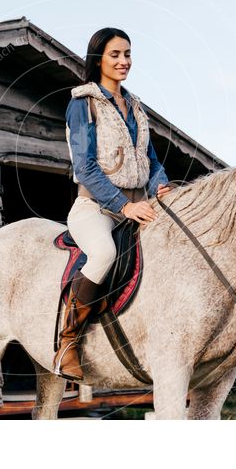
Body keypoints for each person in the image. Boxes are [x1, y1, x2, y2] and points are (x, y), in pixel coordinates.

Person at [53, 27, 173, 381]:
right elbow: (85, 167)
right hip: (97, 209)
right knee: (104, 254)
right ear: (99, 60)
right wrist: (124, 206)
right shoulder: (83, 103)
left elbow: (150, 159)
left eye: (128, 54)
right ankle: (67, 343)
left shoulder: (135, 107)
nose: (124, 62)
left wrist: (160, 184)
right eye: (115, 55)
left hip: (139, 208)